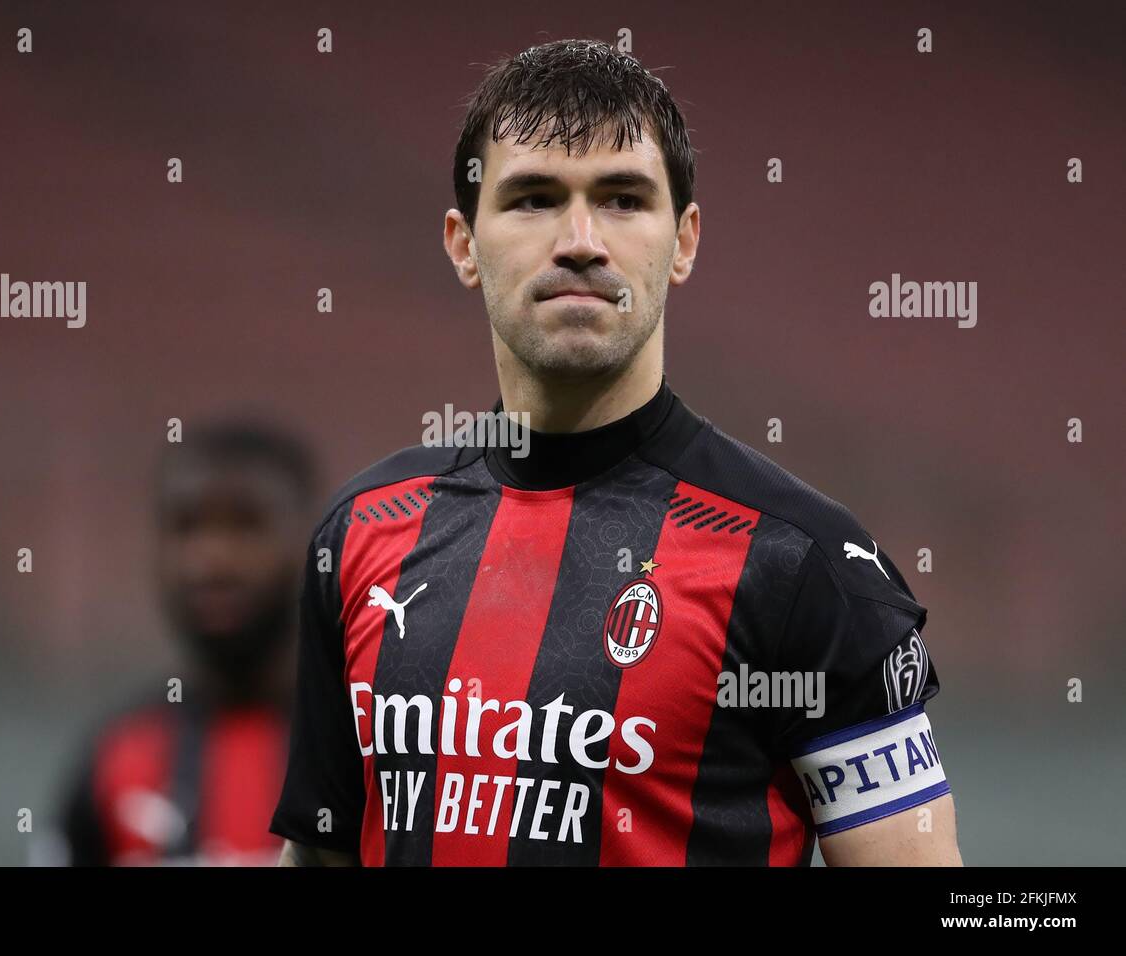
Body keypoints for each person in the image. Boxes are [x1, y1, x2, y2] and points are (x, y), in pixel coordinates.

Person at [270, 39, 961, 866]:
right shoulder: (357, 540)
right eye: (531, 198)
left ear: (685, 241)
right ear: (462, 242)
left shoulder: (805, 568)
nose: (580, 241)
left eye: (624, 198)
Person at [56, 421, 316, 865]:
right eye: (187, 527)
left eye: (247, 524)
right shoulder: (118, 758)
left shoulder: (366, 749)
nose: (212, 559)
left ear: (314, 539)